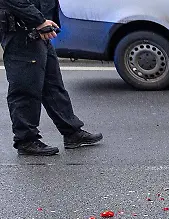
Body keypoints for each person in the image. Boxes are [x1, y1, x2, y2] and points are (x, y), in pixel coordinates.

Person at [1, 0, 102, 156]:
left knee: (52, 85)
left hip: (38, 30)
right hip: (21, 32)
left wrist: (45, 22)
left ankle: (71, 132)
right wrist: (39, 20)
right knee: (25, 88)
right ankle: (26, 140)